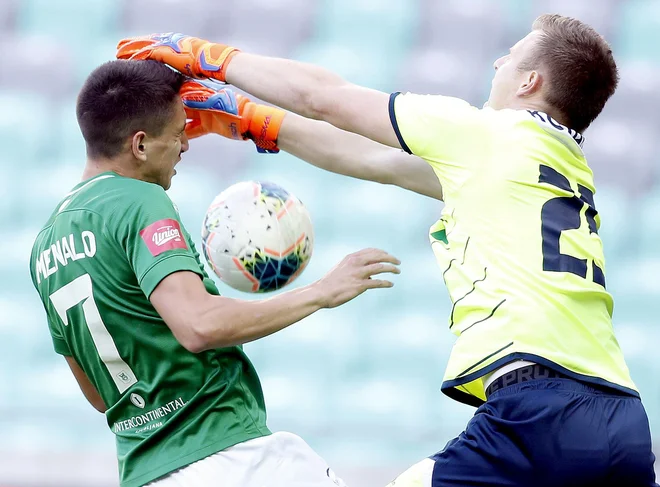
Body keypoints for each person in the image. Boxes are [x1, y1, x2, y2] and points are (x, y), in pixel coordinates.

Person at [117, 14, 658, 487]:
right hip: (625, 422)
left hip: (541, 411)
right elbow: (373, 160)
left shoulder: (487, 134)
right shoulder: (559, 166)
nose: (498, 61)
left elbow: (323, 98)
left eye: (510, 57)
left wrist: (209, 57)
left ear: (530, 80)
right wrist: (254, 120)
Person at [29, 59, 402, 487]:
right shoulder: (137, 201)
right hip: (229, 457)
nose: (186, 145)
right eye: (178, 132)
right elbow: (199, 326)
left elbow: (98, 394)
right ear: (140, 145)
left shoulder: (45, 244)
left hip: (146, 473)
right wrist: (321, 291)